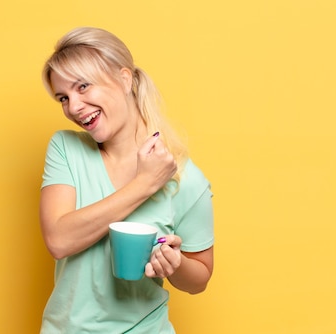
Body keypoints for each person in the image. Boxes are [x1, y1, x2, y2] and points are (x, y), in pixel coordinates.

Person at [39, 26, 214, 333]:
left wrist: (175, 265)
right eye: (63, 97)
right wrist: (144, 184)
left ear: (124, 78)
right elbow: (59, 239)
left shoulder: (184, 178)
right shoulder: (66, 149)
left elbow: (199, 279)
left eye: (83, 87)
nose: (74, 107)